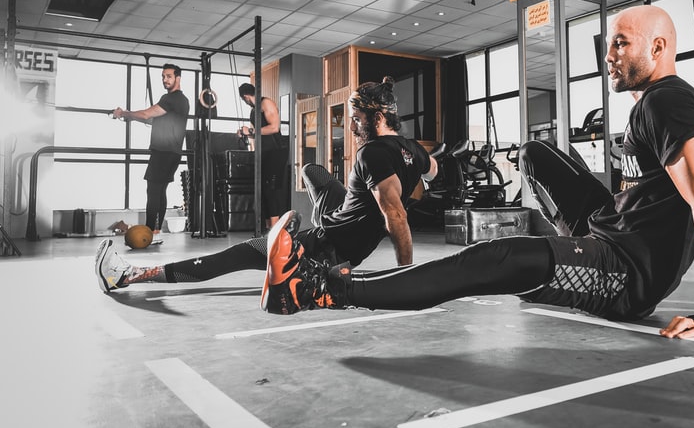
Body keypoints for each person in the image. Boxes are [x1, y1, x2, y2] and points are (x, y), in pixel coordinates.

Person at [261, 5, 694, 339]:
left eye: (621, 44)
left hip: (625, 275)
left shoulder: (672, 100)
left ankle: (320, 289)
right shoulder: (652, 104)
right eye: (609, 44)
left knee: (492, 260)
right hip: (613, 233)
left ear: (658, 47)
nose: (609, 55)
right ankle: (570, 249)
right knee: (535, 154)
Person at [95, 77, 438, 292]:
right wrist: (416, 182)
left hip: (324, 249)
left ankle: (128, 277)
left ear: (377, 119)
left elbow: (396, 217)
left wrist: (404, 277)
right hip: (344, 229)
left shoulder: (372, 155)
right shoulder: (413, 152)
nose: (351, 127)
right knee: (313, 171)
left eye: (356, 120)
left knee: (235, 255)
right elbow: (433, 171)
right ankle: (323, 216)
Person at [112, 63, 190, 234]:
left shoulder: (171, 98)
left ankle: (148, 231)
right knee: (160, 190)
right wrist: (132, 118)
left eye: (168, 76)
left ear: (178, 78)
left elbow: (147, 114)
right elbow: (151, 119)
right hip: (173, 153)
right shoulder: (182, 101)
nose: (165, 80)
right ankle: (154, 230)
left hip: (163, 152)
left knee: (154, 190)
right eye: (163, 76)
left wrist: (124, 113)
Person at [237, 82, 289, 229]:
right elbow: (258, 134)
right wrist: (244, 134)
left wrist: (252, 132)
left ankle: (275, 228)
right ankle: (268, 228)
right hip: (264, 152)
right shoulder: (253, 110)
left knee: (271, 189)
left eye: (244, 99)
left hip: (277, 151)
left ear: (246, 97)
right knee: (263, 190)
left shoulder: (266, 103)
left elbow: (274, 127)